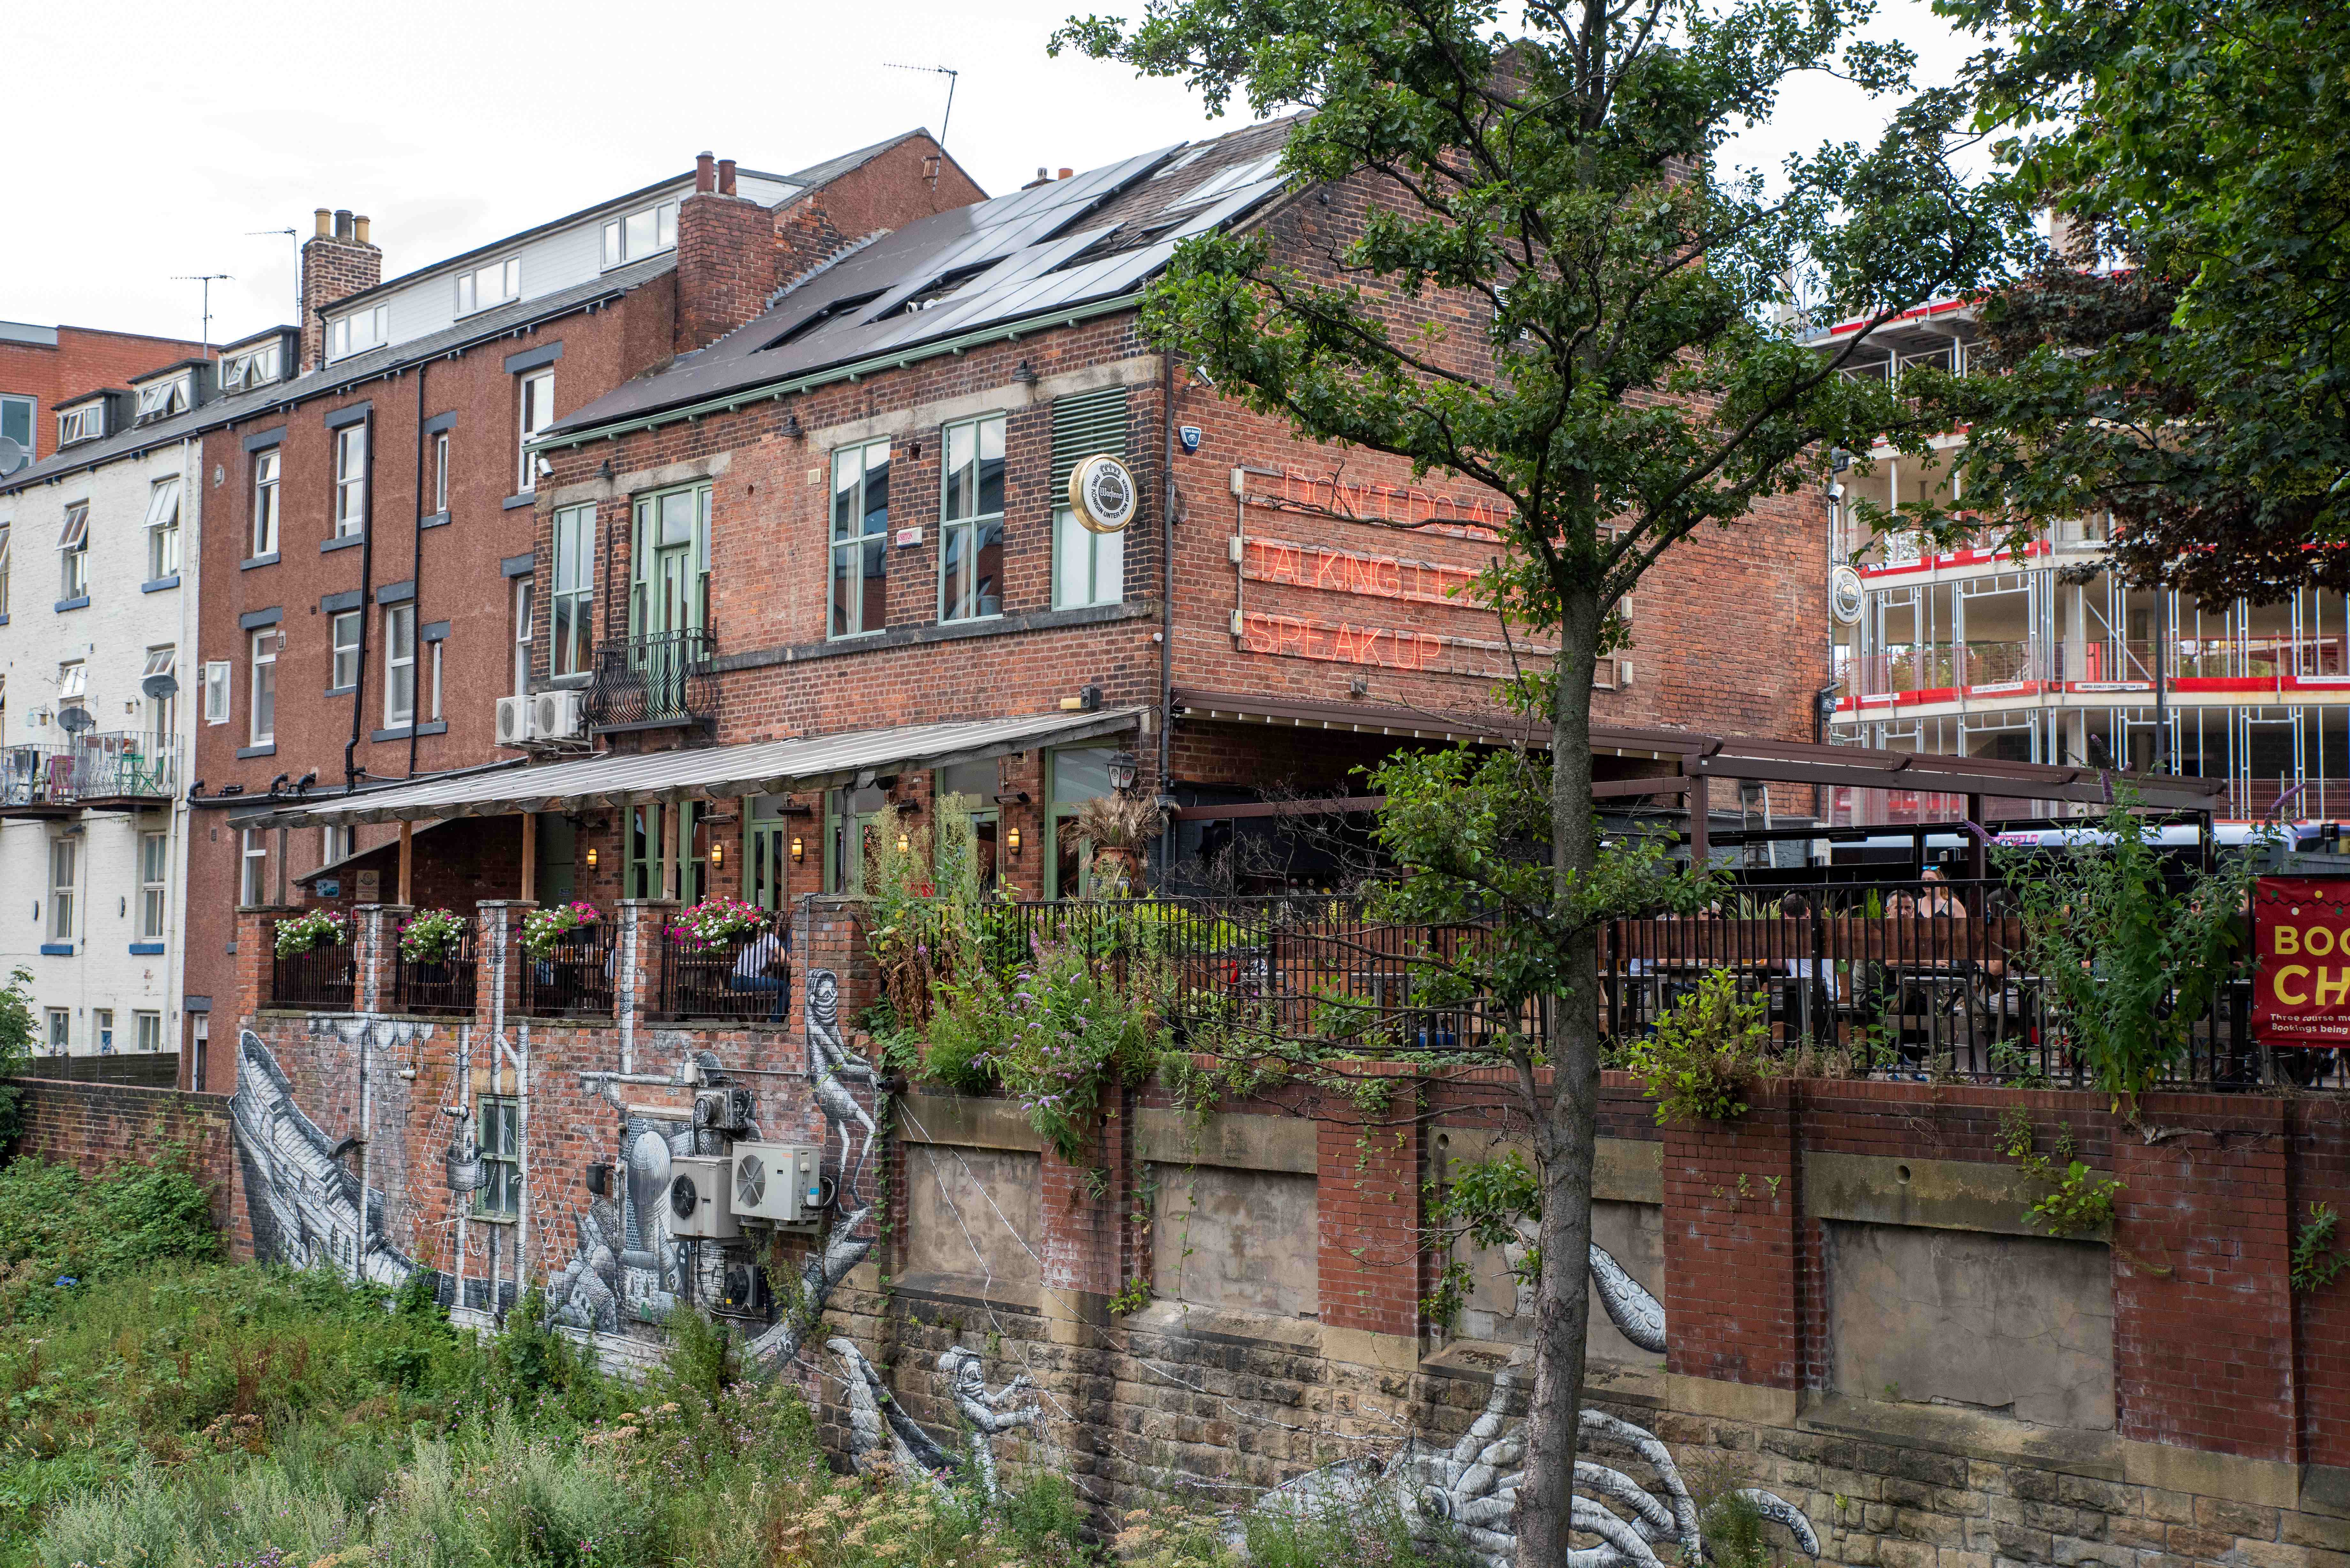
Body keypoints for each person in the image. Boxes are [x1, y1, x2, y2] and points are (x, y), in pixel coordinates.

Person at [727, 919, 792, 1022]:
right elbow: (786, 959)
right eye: (779, 927)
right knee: (786, 987)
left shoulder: (755, 938)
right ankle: (775, 1021)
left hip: (735, 981)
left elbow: (766, 958)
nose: (779, 930)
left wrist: (772, 959)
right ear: (774, 928)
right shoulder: (770, 938)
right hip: (747, 980)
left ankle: (767, 1016)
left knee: (772, 982)